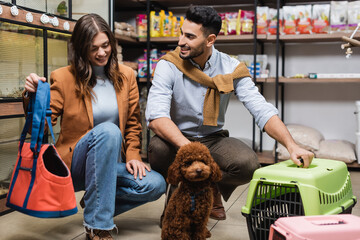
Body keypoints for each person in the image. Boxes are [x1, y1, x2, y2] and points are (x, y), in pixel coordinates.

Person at [145, 6, 314, 222]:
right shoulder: (168, 65)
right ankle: (180, 194)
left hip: (213, 138)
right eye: (181, 33)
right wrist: (191, 149)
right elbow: (156, 117)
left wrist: (292, 145)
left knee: (247, 164)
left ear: (210, 39)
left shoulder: (231, 67)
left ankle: (209, 183)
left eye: (189, 36)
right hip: (175, 139)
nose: (180, 41)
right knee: (157, 148)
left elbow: (261, 109)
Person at [24, 14, 166, 240]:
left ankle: (95, 202)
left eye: (105, 45)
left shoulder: (127, 76)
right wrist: (33, 97)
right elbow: (39, 130)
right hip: (75, 166)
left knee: (155, 184)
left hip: (109, 166)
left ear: (111, 42)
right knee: (109, 131)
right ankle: (97, 227)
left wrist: (133, 154)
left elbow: (132, 122)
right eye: (93, 48)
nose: (101, 53)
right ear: (81, 49)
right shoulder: (63, 78)